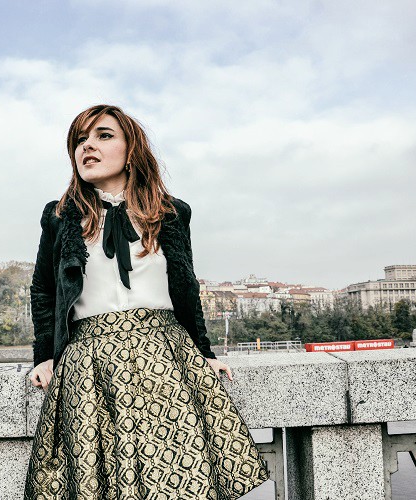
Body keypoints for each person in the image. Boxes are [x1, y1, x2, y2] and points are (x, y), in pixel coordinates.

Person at [24, 104, 269, 499]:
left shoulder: (171, 213)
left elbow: (186, 288)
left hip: (166, 357)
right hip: (89, 362)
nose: (87, 146)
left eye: (103, 135)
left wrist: (204, 352)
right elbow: (44, 290)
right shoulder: (59, 217)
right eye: (80, 140)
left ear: (131, 150)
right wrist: (44, 356)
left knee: (178, 480)